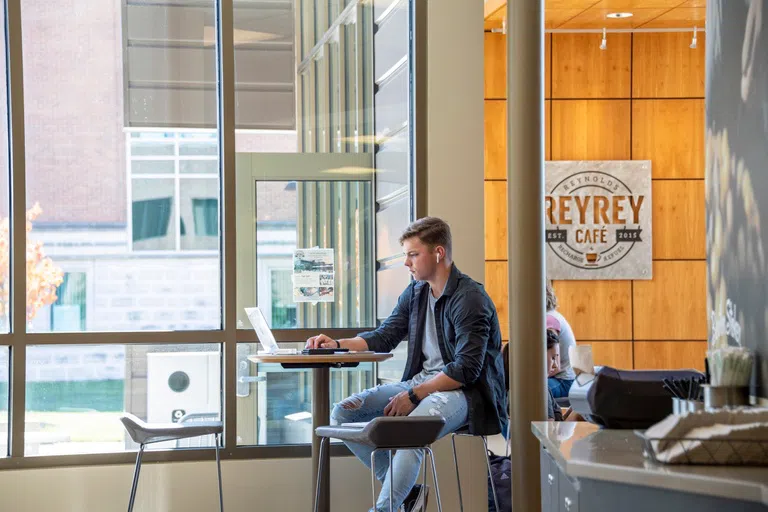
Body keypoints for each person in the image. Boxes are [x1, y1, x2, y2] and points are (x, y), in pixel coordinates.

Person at [306, 217, 507, 512]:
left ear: (438, 253)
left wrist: (414, 395)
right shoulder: (416, 292)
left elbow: (466, 369)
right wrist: (336, 344)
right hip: (423, 384)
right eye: (406, 255)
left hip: (464, 393)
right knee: (342, 414)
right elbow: (385, 336)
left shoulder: (470, 299)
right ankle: (407, 494)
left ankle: (384, 508)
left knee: (409, 431)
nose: (406, 263)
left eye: (413, 255)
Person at [546, 283, 576, 399]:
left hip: (563, 380)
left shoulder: (549, 320)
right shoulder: (551, 316)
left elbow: (555, 367)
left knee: (528, 391)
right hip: (558, 378)